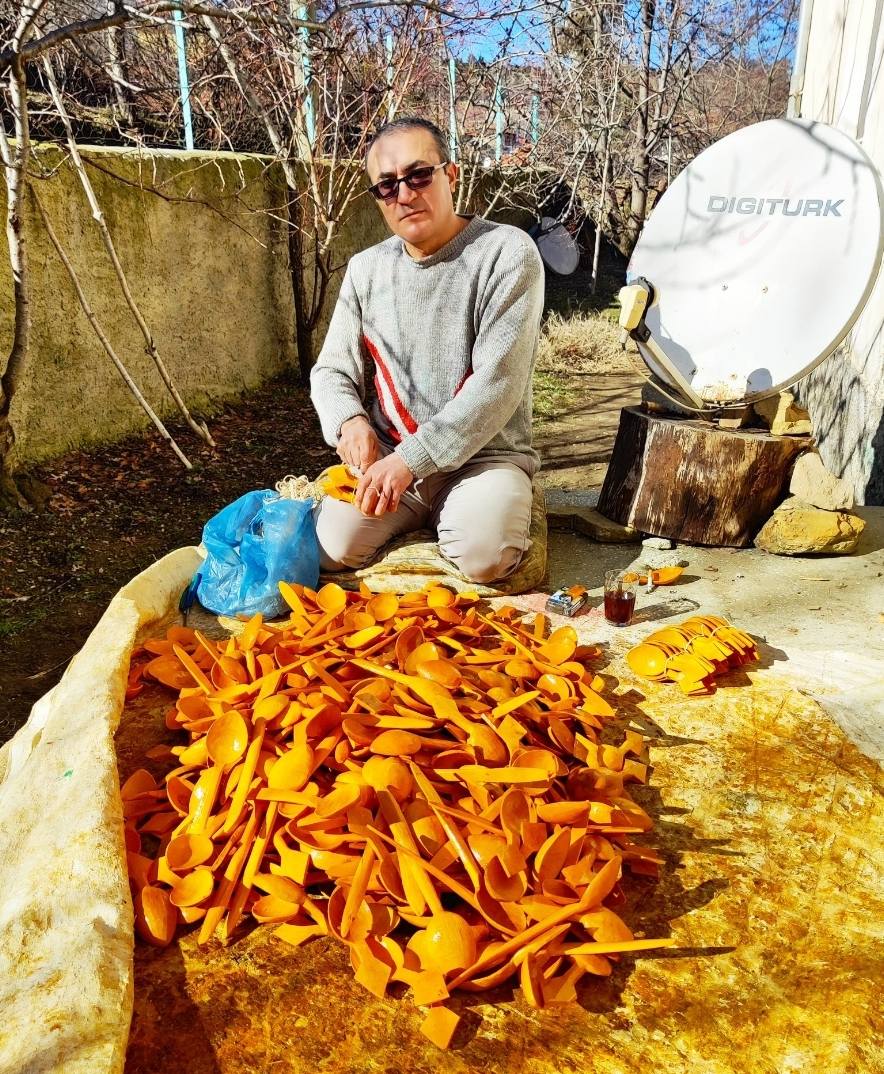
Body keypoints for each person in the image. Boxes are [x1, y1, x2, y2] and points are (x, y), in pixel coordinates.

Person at [309, 116, 545, 584]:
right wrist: (350, 421)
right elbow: (331, 370)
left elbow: (498, 385)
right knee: (330, 549)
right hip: (389, 455)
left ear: (450, 175)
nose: (405, 193)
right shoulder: (365, 270)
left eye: (419, 175)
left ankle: (509, 506)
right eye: (387, 185)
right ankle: (435, 514)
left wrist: (411, 461)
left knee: (485, 558)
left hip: (482, 457)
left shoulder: (505, 252)